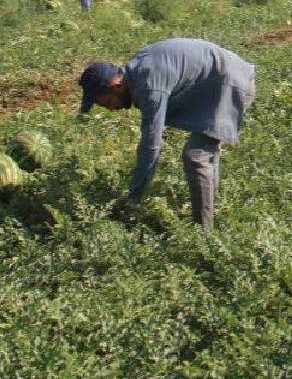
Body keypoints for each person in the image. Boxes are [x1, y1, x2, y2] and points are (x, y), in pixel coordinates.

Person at [78, 38, 257, 233]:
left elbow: (151, 145)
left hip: (230, 84)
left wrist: (133, 198)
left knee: (196, 157)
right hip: (221, 81)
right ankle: (213, 212)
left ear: (115, 85)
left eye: (104, 103)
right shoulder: (138, 69)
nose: (110, 109)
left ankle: (204, 236)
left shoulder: (149, 86)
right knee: (205, 153)